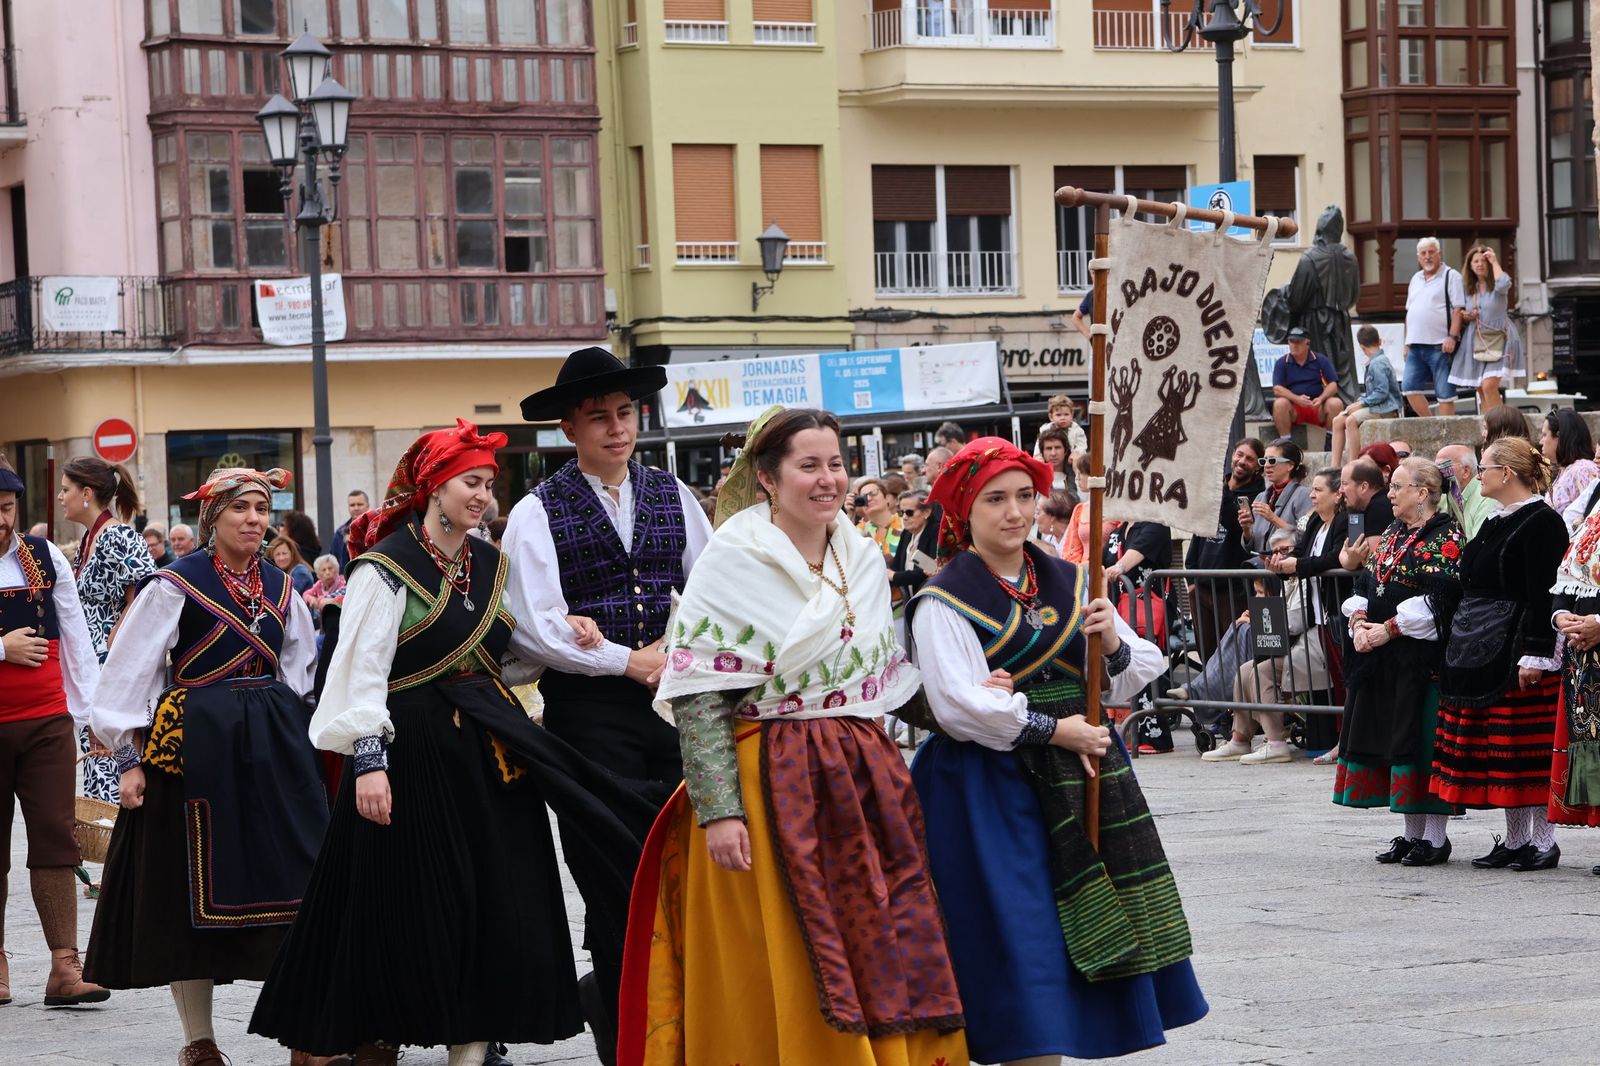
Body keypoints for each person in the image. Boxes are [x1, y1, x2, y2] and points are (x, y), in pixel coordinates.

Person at [252, 421, 662, 1066]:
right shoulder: (384, 567)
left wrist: (573, 633)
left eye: (488, 485)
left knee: (493, 900)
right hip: (408, 750)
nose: (482, 497)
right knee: (403, 903)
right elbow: (359, 672)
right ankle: (372, 1033)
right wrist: (367, 763)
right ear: (434, 487)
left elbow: (514, 654)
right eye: (470, 482)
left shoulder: (490, 564)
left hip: (488, 754)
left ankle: (469, 1050)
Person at [618, 407, 968, 1066]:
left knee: (876, 934)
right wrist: (720, 812)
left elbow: (881, 677)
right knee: (786, 946)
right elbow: (698, 699)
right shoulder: (732, 561)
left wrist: (973, 706)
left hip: (860, 777)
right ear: (768, 479)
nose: (828, 479)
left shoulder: (860, 555)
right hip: (767, 782)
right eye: (809, 465)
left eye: (835, 463)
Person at [905, 436, 1206, 1061]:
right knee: (1022, 936)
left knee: (1082, 926)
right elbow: (961, 707)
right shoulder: (943, 600)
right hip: (989, 790)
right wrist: (1053, 728)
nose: (1014, 512)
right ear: (964, 511)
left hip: (1085, 772)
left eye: (1024, 497)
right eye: (995, 500)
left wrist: (1110, 646)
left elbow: (1135, 668)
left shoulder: (1070, 577)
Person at [503, 346, 712, 1057]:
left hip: (671, 711)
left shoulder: (673, 494)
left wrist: (679, 658)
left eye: (624, 413)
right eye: (600, 418)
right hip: (587, 717)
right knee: (612, 874)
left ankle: (674, 1022)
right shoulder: (537, 511)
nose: (617, 428)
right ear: (570, 428)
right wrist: (629, 661)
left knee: (684, 869)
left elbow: (711, 596)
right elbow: (538, 624)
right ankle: (626, 1031)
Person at [84, 467, 329, 1066]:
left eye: (261, 508)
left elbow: (298, 670)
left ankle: (306, 1033)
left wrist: (281, 727)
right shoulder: (174, 583)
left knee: (296, 884)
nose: (254, 519)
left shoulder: (280, 586)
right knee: (185, 891)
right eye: (240, 508)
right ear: (212, 517)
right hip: (193, 750)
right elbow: (130, 672)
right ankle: (199, 1041)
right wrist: (128, 760)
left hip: (272, 749)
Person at [0, 456, 109, 1009]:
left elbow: (76, 637)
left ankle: (65, 966)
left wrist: (92, 719)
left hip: (45, 721)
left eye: (6, 508)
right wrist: (2, 647)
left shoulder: (43, 558)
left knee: (55, 835)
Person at [1432, 438, 1567, 870]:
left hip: (1517, 649)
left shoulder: (1543, 522)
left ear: (1506, 473)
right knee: (1504, 753)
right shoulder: (1495, 520)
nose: (1477, 475)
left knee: (1525, 751)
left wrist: (1537, 653)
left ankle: (1543, 841)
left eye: (1485, 467)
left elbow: (1543, 592)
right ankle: (1515, 839)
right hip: (1481, 647)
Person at [1334, 457, 1464, 866]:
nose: (1389, 494)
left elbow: (1438, 602)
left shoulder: (1444, 535)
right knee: (1397, 738)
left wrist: (1386, 630)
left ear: (1422, 493)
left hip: (1419, 660)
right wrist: (1358, 623)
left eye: (1397, 487)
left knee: (1420, 742)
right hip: (1382, 658)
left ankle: (1435, 838)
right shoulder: (1393, 532)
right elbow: (1365, 587)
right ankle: (1411, 834)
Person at [57, 455, 154, 805]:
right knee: (101, 770)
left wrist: (115, 641)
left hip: (113, 672)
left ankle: (122, 852)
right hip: (93, 671)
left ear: (86, 493)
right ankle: (112, 854)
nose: (60, 497)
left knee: (115, 768)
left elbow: (147, 595)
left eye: (65, 489)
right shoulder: (90, 539)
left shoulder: (118, 536)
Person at [1202, 530, 1327, 765]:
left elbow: (1297, 621)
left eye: (1285, 551)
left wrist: (1261, 620)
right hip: (1289, 647)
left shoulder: (1302, 577)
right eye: (1275, 552)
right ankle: (1239, 739)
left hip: (1310, 646)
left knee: (1262, 672)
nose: (1279, 557)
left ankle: (1276, 742)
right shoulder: (1278, 579)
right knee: (1245, 671)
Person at [1268, 466, 1352, 758]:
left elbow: (1336, 559)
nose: (1312, 495)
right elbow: (1303, 555)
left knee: (1344, 681)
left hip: (1340, 612)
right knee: (1333, 682)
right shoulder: (1316, 520)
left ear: (1337, 493)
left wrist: (1298, 566)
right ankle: (1339, 740)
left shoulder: (1346, 521)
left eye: (1318, 490)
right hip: (1320, 615)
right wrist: (1282, 563)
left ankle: (1348, 740)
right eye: (1312, 489)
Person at [1268, 204, 1361, 403]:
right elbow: (1354, 295)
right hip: (1342, 322)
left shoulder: (1310, 258)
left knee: (1321, 370)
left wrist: (1285, 291)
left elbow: (1296, 300)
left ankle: (1325, 409)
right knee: (1344, 373)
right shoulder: (1351, 258)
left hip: (1315, 323)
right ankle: (1346, 407)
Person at [1186, 439, 1266, 664]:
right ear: (1232, 454)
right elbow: (1198, 531)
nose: (1242, 462)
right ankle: (1208, 697)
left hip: (1233, 590)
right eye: (1240, 454)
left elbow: (1233, 522)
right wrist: (1191, 578)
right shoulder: (1218, 486)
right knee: (1207, 655)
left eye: (1249, 459)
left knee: (1232, 655)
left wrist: (1219, 491)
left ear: (1258, 466)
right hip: (1202, 586)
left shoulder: (1256, 495)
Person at [1448, 244, 1523, 411]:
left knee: (1489, 386)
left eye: (1483, 261)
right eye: (1475, 261)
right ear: (1470, 265)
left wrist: (1494, 260)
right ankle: (1490, 428)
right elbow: (1461, 310)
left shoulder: (1497, 284)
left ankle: (1502, 426)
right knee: (1480, 388)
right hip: (1476, 339)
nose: (1480, 264)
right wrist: (1467, 316)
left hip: (1499, 337)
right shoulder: (1469, 288)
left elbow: (1504, 284)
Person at [1402, 236, 1467, 417]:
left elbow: (1458, 309)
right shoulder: (1415, 278)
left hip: (1440, 344)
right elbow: (1410, 312)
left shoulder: (1451, 275)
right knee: (1409, 389)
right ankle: (1432, 424)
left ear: (1439, 254)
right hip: (1415, 345)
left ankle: (1448, 438)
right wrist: (1406, 342)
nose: (1427, 256)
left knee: (1445, 394)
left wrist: (1452, 337)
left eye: (1431, 252)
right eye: (1423, 253)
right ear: (1418, 257)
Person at [1330, 325, 1401, 466]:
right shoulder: (1374, 362)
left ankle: (1353, 462)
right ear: (1379, 341)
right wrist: (1359, 402)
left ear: (1362, 347)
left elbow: (1381, 392)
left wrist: (1361, 404)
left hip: (1385, 409)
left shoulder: (1378, 363)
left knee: (1350, 421)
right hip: (1375, 406)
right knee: (1338, 421)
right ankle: (1334, 465)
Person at [1242, 438, 1313, 557]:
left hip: (1287, 569)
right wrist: (1246, 529)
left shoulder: (1304, 495)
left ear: (1290, 465)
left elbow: (1307, 536)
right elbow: (1251, 546)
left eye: (1272, 460)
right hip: (1261, 569)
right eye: (1264, 461)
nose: (1267, 466)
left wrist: (1273, 518)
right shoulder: (1261, 497)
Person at [1271, 327, 1344, 438]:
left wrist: (1321, 399)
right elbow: (1277, 389)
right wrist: (1297, 399)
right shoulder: (1282, 362)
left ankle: (1331, 440)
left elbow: (1333, 385)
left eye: (1298, 342)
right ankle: (1285, 442)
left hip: (1317, 406)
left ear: (1307, 343)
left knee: (1336, 403)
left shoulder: (1320, 359)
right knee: (1279, 403)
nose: (1294, 345)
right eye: (1291, 341)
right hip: (1294, 408)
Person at [1542, 409, 1599, 523]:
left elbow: (1593, 514)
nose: (1541, 441)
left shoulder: (1583, 469)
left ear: (1559, 437)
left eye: (1544, 435)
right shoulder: (1566, 470)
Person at [1436, 444, 1496, 540]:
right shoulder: (1448, 493)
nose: (1438, 474)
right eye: (1436, 468)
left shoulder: (1486, 498)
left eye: (1443, 467)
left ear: (1465, 471)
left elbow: (1479, 544)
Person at [888, 488, 937, 597]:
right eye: (901, 512)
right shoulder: (906, 533)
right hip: (910, 600)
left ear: (926, 512)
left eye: (909, 512)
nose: (904, 517)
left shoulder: (936, 532)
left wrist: (895, 576)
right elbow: (896, 566)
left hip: (930, 599)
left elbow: (929, 571)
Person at [1339, 457, 1395, 550]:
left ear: (1363, 487)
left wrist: (1353, 556)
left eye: (1344, 483)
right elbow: (1346, 558)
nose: (1340, 490)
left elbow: (1371, 560)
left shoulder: (1379, 508)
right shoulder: (1356, 508)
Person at [854, 477, 903, 561]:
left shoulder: (904, 523)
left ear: (887, 498)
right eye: (863, 498)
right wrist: (851, 514)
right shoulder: (861, 529)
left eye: (873, 493)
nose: (868, 499)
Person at [1035, 393, 1088, 460]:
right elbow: (1038, 446)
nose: (1063, 418)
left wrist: (1077, 453)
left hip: (1070, 459)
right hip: (1051, 459)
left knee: (1077, 460)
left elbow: (1082, 446)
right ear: (1051, 417)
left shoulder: (1077, 430)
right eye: (1058, 415)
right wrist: (1037, 455)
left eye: (1066, 414)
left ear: (1072, 415)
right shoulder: (1046, 430)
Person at [330, 490, 369, 569]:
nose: (356, 508)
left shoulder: (376, 528)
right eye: (352, 505)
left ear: (367, 506)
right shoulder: (340, 533)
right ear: (348, 507)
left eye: (360, 504)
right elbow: (334, 560)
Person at [302, 553, 345, 623]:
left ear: (337, 570)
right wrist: (310, 598)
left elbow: (330, 599)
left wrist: (318, 600)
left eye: (330, 568)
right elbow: (306, 593)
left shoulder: (342, 581)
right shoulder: (319, 584)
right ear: (318, 575)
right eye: (324, 570)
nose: (327, 572)